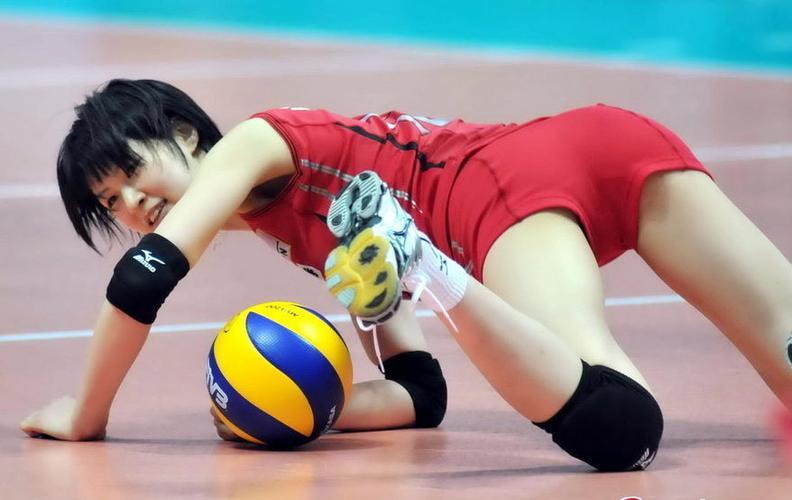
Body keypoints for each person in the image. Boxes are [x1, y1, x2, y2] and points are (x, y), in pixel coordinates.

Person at [20, 79, 792, 472]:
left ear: (187, 134)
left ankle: (427, 266)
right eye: (109, 202)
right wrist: (290, 409)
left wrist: (88, 413)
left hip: (498, 191)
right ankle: (419, 262)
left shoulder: (254, 143)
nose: (130, 203)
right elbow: (420, 394)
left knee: (619, 428)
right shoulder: (310, 232)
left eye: (130, 173)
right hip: (604, 139)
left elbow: (143, 280)